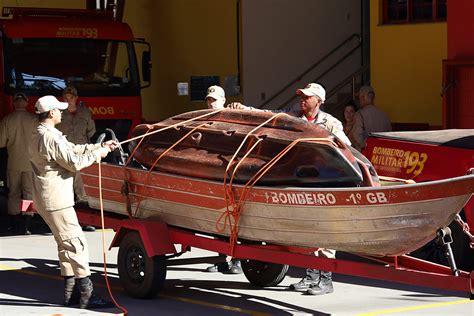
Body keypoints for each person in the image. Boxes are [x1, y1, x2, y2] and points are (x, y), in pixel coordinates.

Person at [229, 82, 349, 295]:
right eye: (301, 95)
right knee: (307, 231)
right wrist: (245, 109)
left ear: (319, 101)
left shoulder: (331, 124)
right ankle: (311, 276)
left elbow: (347, 151)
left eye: (307, 96)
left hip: (325, 185)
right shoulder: (293, 118)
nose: (302, 99)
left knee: (325, 232)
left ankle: (326, 280)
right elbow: (268, 114)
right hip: (301, 183)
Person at [29, 95, 116, 309]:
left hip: (47, 198)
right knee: (76, 244)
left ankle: (71, 295)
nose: (62, 112)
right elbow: (74, 162)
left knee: (64, 245)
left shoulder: (41, 132)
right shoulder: (50, 137)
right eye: (59, 109)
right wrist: (100, 154)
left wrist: (98, 147)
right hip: (57, 199)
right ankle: (87, 295)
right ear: (51, 113)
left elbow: (72, 149)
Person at [203, 85, 243, 274]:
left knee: (234, 218)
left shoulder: (232, 118)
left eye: (215, 100)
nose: (211, 104)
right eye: (209, 100)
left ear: (223, 101)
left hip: (230, 176)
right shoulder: (203, 120)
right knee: (217, 218)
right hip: (214, 176)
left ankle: (236, 260)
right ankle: (220, 259)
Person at [57, 86, 97, 232]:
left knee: (82, 190)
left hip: (81, 154)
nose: (69, 100)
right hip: (64, 155)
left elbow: (91, 131)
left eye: (71, 97)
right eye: (66, 97)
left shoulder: (85, 112)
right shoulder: (58, 113)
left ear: (76, 98)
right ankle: (67, 224)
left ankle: (85, 221)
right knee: (65, 190)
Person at [0, 93, 37, 235]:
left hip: (13, 164)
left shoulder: (7, 120)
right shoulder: (34, 120)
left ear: (14, 103)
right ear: (27, 102)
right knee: (29, 193)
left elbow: (1, 142)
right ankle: (26, 225)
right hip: (30, 164)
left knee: (13, 193)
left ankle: (14, 224)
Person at [352, 85, 392, 151]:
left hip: (365, 155)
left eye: (359, 98)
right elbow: (390, 137)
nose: (359, 101)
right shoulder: (384, 115)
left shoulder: (359, 114)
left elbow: (358, 138)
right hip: (381, 154)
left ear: (363, 97)